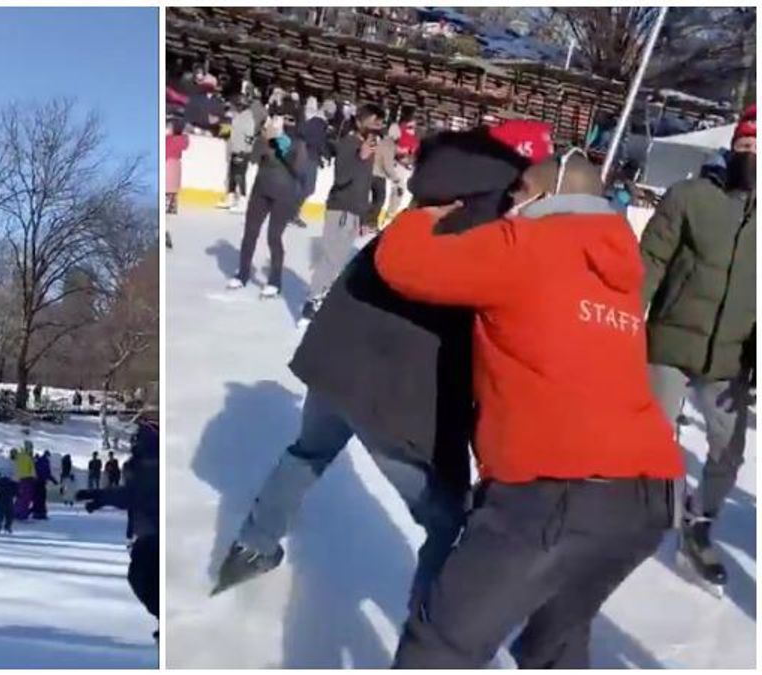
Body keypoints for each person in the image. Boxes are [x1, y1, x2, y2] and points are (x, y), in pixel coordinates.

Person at [214, 121, 555, 603]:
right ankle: (428, 638)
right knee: (449, 523)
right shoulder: (491, 223)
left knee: (307, 452)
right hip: (395, 394)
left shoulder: (435, 193)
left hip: (335, 360)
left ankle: (251, 548)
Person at [376, 152, 682, 668]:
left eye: (518, 192)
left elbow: (402, 265)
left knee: (442, 645)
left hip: (552, 493)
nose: (508, 202)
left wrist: (424, 213)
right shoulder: (619, 266)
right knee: (554, 643)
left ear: (545, 196)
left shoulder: (527, 244)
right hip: (645, 500)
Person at [638, 104, 756, 592]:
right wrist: (622, 324)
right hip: (671, 338)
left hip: (730, 357)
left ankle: (700, 523)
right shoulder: (689, 197)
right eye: (745, 146)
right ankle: (651, 512)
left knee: (729, 449)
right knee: (654, 435)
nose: (751, 155)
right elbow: (648, 265)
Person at [301, 103, 386, 326]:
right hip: (340, 209)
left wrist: (366, 215)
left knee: (338, 261)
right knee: (331, 258)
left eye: (379, 122)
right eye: (373, 121)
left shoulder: (366, 147)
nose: (377, 126)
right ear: (359, 122)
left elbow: (364, 182)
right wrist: (361, 156)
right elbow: (341, 179)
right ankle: (311, 303)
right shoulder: (349, 144)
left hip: (354, 211)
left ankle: (322, 297)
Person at [78, 417, 160, 639]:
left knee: (143, 576)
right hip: (148, 533)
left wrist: (103, 496)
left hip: (155, 535)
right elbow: (133, 494)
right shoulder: (143, 464)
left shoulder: (152, 464)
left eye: (139, 437)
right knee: (144, 577)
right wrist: (103, 498)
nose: (134, 441)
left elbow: (136, 493)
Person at [228, 113, 312, 297]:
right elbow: (254, 158)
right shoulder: (266, 137)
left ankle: (275, 280)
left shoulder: (299, 144)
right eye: (280, 119)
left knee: (274, 237)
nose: (283, 123)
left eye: (289, 119)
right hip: (261, 190)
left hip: (284, 196)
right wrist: (265, 139)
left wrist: (284, 148)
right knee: (250, 232)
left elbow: (300, 171)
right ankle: (242, 273)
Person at [292, 100, 333, 229]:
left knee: (300, 186)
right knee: (308, 188)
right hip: (309, 158)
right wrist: (325, 155)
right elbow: (317, 142)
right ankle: (291, 213)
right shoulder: (319, 123)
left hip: (304, 157)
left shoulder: (314, 121)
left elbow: (302, 133)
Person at [218, 97, 257, 212]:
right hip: (235, 150)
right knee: (232, 176)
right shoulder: (238, 117)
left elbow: (250, 137)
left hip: (242, 151)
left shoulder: (248, 118)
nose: (236, 107)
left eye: (238, 105)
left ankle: (243, 201)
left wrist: (245, 151)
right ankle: (231, 198)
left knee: (240, 176)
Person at [165, 118, 190, 215]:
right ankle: (171, 207)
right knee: (172, 190)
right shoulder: (180, 139)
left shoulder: (170, 139)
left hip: (169, 164)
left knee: (168, 189)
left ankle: (169, 207)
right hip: (175, 164)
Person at [13, 443, 37, 520]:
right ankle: (22, 514)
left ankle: (15, 512)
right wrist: (35, 477)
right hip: (28, 479)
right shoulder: (28, 457)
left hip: (19, 479)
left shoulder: (19, 456)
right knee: (26, 498)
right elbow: (32, 469)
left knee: (20, 497)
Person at [32, 450, 58, 520]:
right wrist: (54, 481)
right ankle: (41, 514)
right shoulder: (45, 462)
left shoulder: (38, 461)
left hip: (35, 481)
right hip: (41, 482)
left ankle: (35, 513)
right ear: (47, 455)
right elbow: (47, 473)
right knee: (42, 498)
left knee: (36, 498)